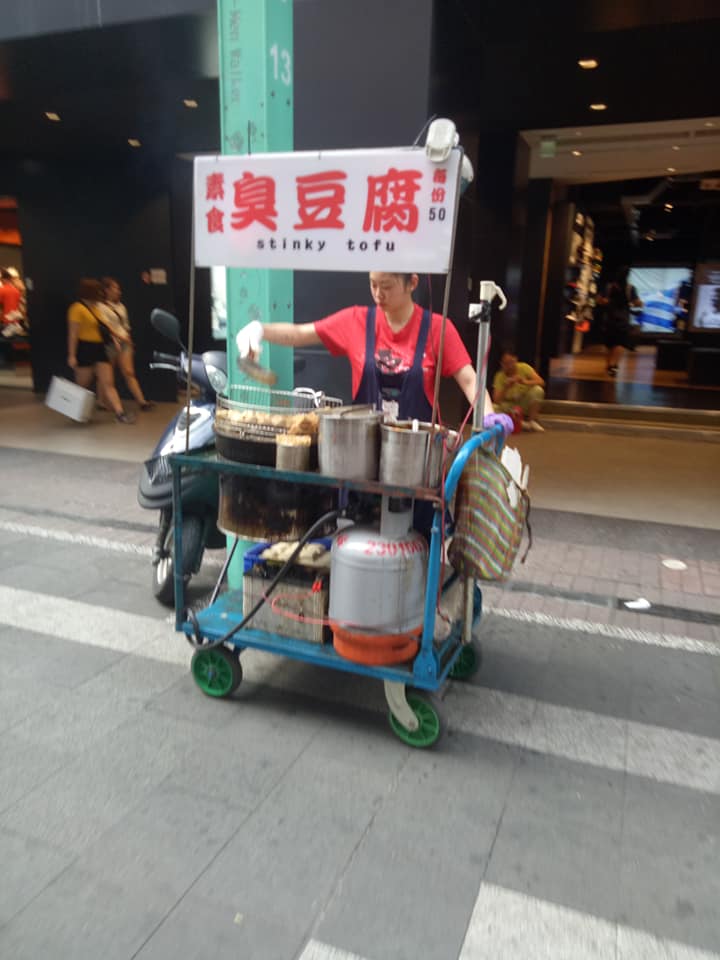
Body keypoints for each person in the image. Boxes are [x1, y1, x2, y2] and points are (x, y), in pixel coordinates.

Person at [236, 271, 490, 419]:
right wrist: (260, 330)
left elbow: (468, 379)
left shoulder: (437, 328)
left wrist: (490, 416)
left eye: (387, 286)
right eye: (373, 284)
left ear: (412, 283)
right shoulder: (356, 321)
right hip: (363, 452)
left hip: (418, 455)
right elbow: (301, 333)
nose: (378, 293)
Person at [67, 278, 134, 424]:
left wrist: (118, 338)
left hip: (98, 348)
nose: (101, 293)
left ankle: (119, 413)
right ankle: (74, 411)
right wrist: (72, 355)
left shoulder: (96, 308)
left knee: (108, 382)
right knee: (82, 384)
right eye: (98, 290)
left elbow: (107, 329)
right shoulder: (76, 309)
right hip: (84, 348)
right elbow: (73, 334)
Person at [100, 276, 154, 410]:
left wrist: (127, 339)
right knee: (107, 376)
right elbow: (106, 328)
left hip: (124, 343)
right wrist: (122, 338)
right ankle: (101, 401)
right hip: (109, 344)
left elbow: (125, 326)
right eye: (115, 288)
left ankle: (141, 401)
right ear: (106, 290)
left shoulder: (121, 306)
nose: (119, 291)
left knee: (129, 372)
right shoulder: (100, 307)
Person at [599, 266, 643, 377]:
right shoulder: (630, 288)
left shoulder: (608, 287)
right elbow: (638, 303)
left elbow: (599, 300)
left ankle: (609, 365)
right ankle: (613, 366)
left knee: (610, 344)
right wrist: (633, 303)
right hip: (623, 320)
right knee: (621, 343)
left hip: (609, 319)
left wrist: (605, 302)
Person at [492, 345, 545, 432]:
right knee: (493, 408)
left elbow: (541, 382)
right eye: (506, 363)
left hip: (523, 402)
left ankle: (531, 421)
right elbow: (496, 401)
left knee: (538, 390)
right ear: (501, 364)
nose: (509, 366)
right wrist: (506, 387)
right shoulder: (499, 376)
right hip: (509, 406)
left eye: (511, 362)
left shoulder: (524, 367)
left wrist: (524, 381)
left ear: (516, 359)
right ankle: (519, 424)